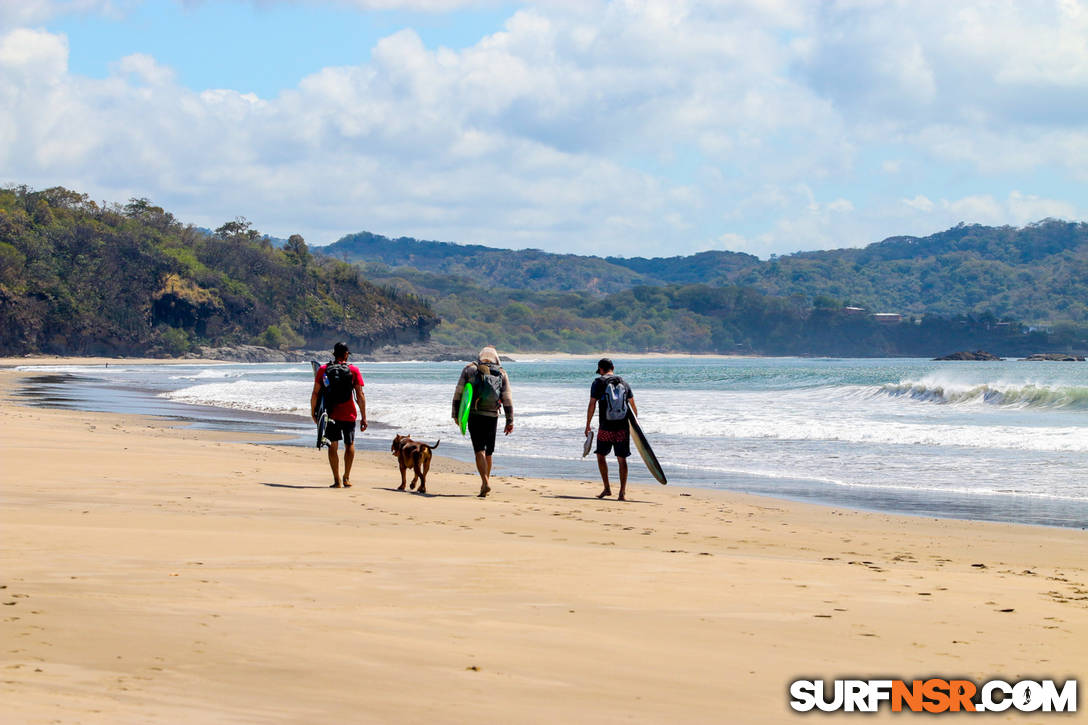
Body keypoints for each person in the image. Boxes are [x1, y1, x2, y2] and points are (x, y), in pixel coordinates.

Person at [452, 346, 514, 498]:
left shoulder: (469, 369)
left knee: (479, 449)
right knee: (489, 451)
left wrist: (456, 414)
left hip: (474, 413)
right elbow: (507, 397)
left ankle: (485, 481)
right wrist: (509, 420)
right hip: (492, 415)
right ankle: (485, 482)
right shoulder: (501, 372)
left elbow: (460, 392)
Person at [311, 342, 367, 488]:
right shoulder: (353, 370)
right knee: (349, 445)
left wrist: (314, 412)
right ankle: (347, 477)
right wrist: (364, 417)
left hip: (331, 414)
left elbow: (315, 393)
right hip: (349, 414)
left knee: (332, 446)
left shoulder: (323, 369)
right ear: (346, 354)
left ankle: (337, 480)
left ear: (334, 354)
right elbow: (360, 395)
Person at [584, 358, 636, 501]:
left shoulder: (598, 382)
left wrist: (588, 424)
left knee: (601, 455)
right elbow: (632, 406)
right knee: (622, 459)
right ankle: (622, 493)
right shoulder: (624, 383)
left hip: (606, 427)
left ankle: (607, 488)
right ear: (613, 367)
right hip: (622, 428)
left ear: (601, 369)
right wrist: (634, 428)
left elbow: (592, 404)